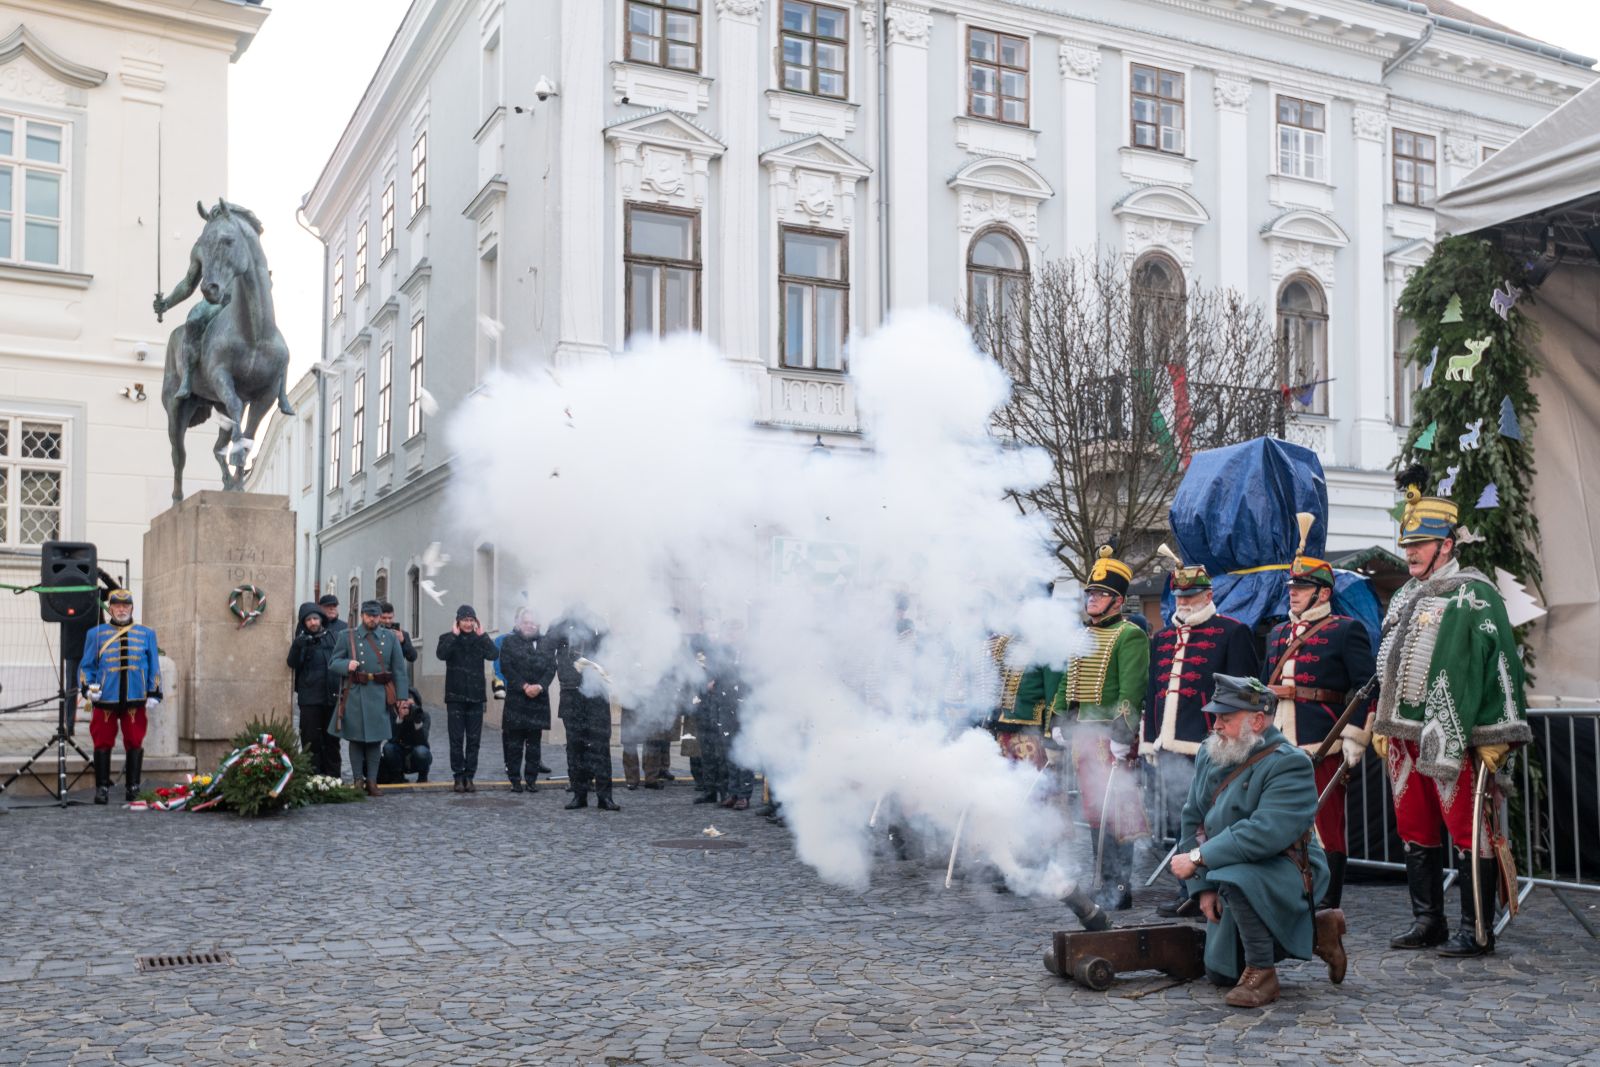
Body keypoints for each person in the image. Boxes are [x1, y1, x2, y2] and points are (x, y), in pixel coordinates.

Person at [1370, 467, 1531, 958]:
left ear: (1446, 544)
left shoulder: (1475, 593)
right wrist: (1381, 718)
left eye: (1420, 543)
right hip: (1404, 736)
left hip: (1454, 736)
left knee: (1468, 831)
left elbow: (1501, 664)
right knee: (1414, 829)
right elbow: (1388, 664)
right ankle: (1428, 920)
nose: (1410, 552)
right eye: (1407, 543)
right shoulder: (1404, 595)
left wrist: (1497, 734)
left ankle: (1476, 927)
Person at [1170, 674, 1346, 1008]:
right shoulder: (1211, 753)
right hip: (1226, 866)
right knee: (1221, 973)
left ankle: (1262, 974)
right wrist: (1203, 887)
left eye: (1226, 717)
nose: (1216, 726)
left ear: (1257, 721)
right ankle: (1320, 931)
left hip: (1285, 867)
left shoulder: (1290, 763)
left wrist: (1198, 859)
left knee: (1236, 876)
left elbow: (1263, 833)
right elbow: (1193, 819)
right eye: (1216, 716)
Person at [1260, 517, 1375, 911]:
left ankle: (1328, 899)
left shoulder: (1346, 630)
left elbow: (1367, 687)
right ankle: (1291, 888)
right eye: (1292, 587)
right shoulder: (1278, 634)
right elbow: (1265, 687)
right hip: (1278, 742)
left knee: (1326, 823)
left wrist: (1355, 735)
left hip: (1321, 741)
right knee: (1279, 818)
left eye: (1302, 588)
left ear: (1323, 592)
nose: (1293, 594)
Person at [1143, 554, 1260, 917]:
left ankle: (1219, 889)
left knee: (1214, 822)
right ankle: (1190, 890)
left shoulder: (1232, 632)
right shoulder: (1163, 639)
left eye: (1191, 595)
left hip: (1212, 746)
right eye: (1179, 595)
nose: (1183, 601)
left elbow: (1245, 696)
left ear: (1208, 595)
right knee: (1181, 820)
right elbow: (1153, 692)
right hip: (1169, 744)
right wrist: (1149, 740)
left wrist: (1236, 742)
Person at [1050, 546, 1150, 911]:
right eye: (1090, 592)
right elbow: (1067, 682)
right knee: (1095, 810)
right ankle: (1105, 882)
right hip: (1083, 737)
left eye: (1100, 594)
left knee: (1118, 810)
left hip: (1111, 737)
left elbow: (1131, 691)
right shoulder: (1082, 636)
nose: (1092, 598)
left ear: (1117, 600)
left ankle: (1119, 886)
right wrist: (1059, 718)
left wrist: (1123, 734)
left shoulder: (1129, 635)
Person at [78, 589, 162, 804]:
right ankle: (102, 788)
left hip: (136, 696)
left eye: (126, 605)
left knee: (134, 740)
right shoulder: (95, 634)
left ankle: (133, 787)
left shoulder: (147, 633)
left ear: (132, 608)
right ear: (110, 608)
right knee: (102, 741)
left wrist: (154, 691)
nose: (121, 609)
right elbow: (87, 666)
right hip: (105, 697)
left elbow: (154, 665)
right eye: (117, 605)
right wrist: (88, 688)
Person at [328, 599, 410, 796]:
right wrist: (346, 665)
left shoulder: (390, 638)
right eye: (369, 615)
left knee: (375, 740)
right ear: (362, 616)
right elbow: (333, 663)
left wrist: (402, 697)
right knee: (355, 739)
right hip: (355, 692)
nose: (372, 619)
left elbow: (399, 670)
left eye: (375, 616)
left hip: (380, 693)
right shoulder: (347, 636)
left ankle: (372, 781)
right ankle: (358, 780)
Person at [548, 614, 619, 811]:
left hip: (597, 694)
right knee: (575, 747)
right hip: (571, 694)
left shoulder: (599, 624)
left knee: (600, 747)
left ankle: (605, 796)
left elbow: (611, 653)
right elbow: (548, 645)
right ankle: (579, 794)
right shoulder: (562, 624)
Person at [435, 604, 499, 793]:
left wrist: (484, 635)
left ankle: (469, 776)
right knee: (456, 739)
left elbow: (494, 654)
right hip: (455, 698)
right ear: (458, 621)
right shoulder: (447, 638)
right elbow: (441, 654)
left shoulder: (480, 640)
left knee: (473, 740)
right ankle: (458, 776)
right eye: (465, 620)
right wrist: (454, 636)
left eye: (471, 620)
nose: (468, 624)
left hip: (476, 698)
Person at [498, 608, 556, 793]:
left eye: (533, 623)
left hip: (538, 699)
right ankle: (515, 780)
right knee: (514, 744)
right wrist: (524, 686)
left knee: (534, 745)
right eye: (526, 622)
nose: (529, 626)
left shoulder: (546, 643)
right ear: (519, 624)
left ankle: (531, 780)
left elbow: (551, 668)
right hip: (517, 699)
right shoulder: (509, 642)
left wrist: (540, 686)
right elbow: (506, 667)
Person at [287, 601, 342, 778]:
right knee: (310, 740)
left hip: (332, 697)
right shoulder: (301, 640)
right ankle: (312, 778)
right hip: (310, 699)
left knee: (332, 741)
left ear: (321, 619)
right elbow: (292, 663)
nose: (313, 622)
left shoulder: (334, 637)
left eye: (315, 618)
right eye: (309, 620)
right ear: (304, 622)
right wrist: (298, 646)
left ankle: (333, 778)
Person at [379, 687, 433, 784]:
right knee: (388, 748)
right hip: (399, 755)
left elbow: (423, 742)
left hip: (416, 755)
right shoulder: (393, 715)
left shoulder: (424, 715)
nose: (408, 707)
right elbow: (391, 740)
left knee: (421, 751)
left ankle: (423, 776)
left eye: (410, 704)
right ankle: (397, 776)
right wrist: (400, 719)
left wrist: (417, 722)